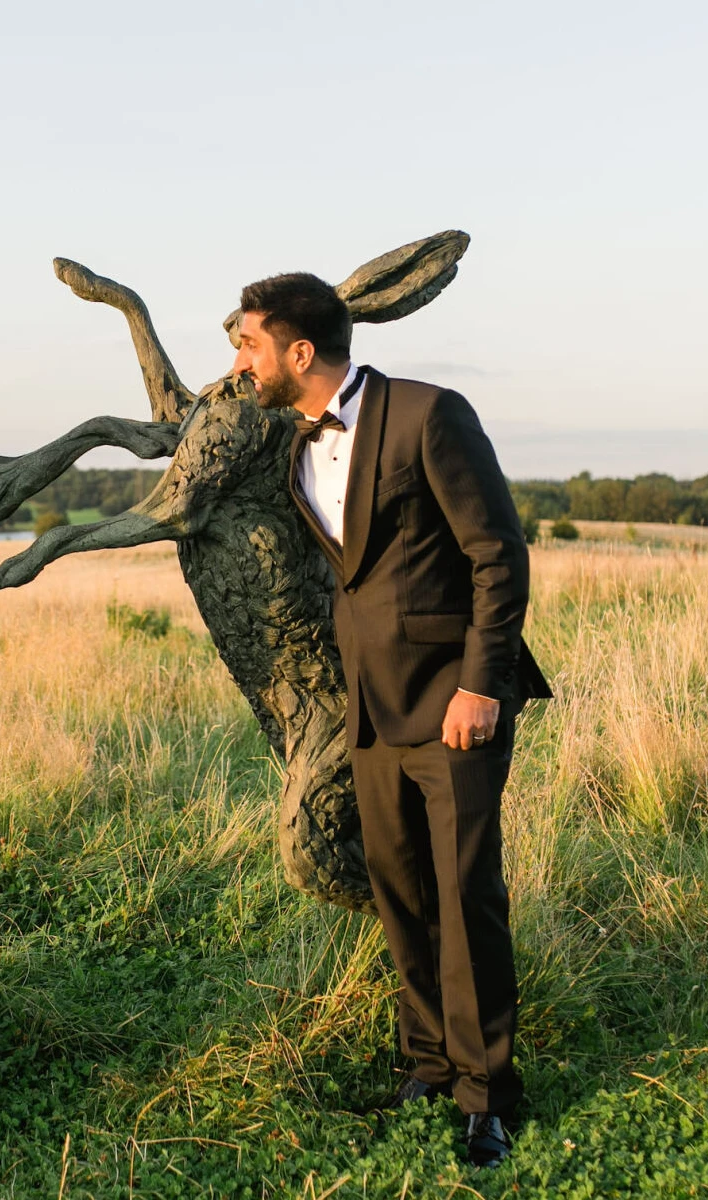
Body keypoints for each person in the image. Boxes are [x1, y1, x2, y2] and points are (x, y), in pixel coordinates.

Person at [231, 274, 552, 1169]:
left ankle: (489, 1094)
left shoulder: (430, 414)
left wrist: (482, 687)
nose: (239, 361)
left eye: (247, 343)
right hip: (368, 707)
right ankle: (426, 1064)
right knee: (402, 894)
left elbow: (498, 555)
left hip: (456, 705)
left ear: (299, 351)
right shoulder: (291, 444)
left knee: (465, 895)